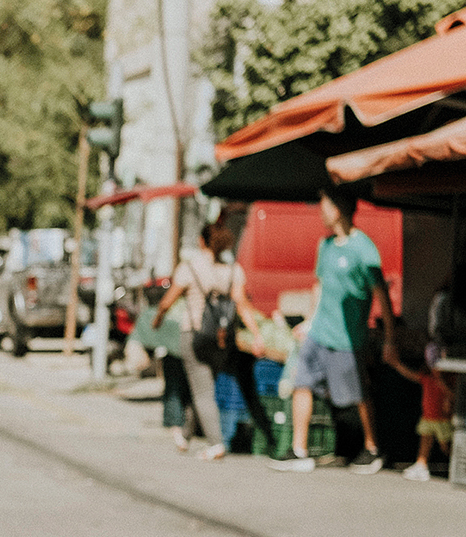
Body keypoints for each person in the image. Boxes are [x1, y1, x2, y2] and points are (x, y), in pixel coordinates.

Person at [269, 188, 395, 474]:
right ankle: (299, 451)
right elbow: (319, 286)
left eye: (324, 205)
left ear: (338, 208)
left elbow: (382, 295)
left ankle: (373, 449)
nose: (320, 211)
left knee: (357, 394)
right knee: (302, 383)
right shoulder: (325, 246)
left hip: (347, 339)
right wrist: (309, 320)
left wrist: (389, 338)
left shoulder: (364, 249)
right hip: (319, 333)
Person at [150, 222, 274, 459]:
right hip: (222, 339)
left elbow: (167, 301)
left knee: (202, 390)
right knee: (204, 386)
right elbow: (243, 305)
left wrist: (157, 318)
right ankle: (185, 434)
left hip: (194, 335)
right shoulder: (233, 271)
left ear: (201, 241)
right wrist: (257, 334)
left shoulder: (189, 269)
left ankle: (216, 443)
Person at [385, 345, 452, 481]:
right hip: (427, 418)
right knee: (425, 441)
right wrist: (396, 364)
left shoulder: (450, 379)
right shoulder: (426, 377)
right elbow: (409, 374)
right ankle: (421, 465)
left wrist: (442, 382)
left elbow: (453, 396)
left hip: (443, 420)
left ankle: (457, 468)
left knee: (446, 446)